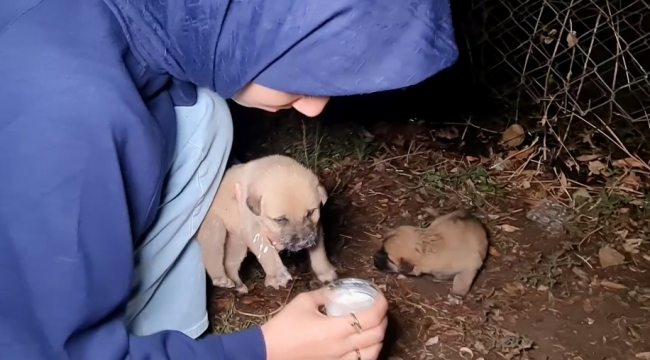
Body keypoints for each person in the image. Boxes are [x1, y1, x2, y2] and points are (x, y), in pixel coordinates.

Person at [0, 0, 458, 359]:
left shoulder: (137, 27)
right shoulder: (70, 117)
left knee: (204, 115)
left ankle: (158, 332)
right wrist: (264, 351)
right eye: (303, 68)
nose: (316, 107)